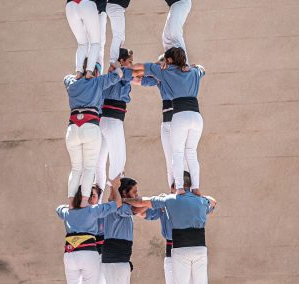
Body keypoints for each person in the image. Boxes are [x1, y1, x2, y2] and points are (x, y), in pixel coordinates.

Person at [133, 47, 205, 195]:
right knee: (191, 152)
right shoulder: (192, 72)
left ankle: (179, 188)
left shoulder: (165, 72)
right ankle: (195, 187)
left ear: (169, 60)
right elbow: (202, 69)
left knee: (177, 154)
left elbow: (139, 68)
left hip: (179, 116)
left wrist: (122, 70)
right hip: (196, 116)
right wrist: (193, 66)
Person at [123, 172, 216, 284]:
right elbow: (213, 202)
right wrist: (198, 195)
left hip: (180, 249)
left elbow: (140, 203)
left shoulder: (168, 201)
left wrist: (123, 200)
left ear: (176, 185)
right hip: (185, 249)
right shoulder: (197, 201)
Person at [64, 61, 125, 208]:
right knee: (90, 168)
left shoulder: (71, 82)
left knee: (76, 168)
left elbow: (66, 77)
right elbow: (118, 75)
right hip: (90, 126)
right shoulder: (98, 81)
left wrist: (79, 73)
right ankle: (85, 203)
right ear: (96, 72)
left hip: (72, 128)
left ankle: (71, 204)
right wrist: (115, 66)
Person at [56, 177, 122, 284]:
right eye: (89, 195)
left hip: (70, 253)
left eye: (94, 196)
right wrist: (115, 187)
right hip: (88, 253)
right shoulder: (93, 210)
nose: (91, 198)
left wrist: (72, 206)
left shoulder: (68, 211)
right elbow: (118, 203)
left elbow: (59, 209)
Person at [95, 48, 134, 191]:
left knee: (99, 162)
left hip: (104, 120)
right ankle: (114, 195)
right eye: (129, 62)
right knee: (118, 160)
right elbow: (133, 74)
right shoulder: (119, 75)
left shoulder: (110, 76)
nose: (131, 65)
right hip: (112, 120)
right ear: (121, 61)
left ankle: (98, 198)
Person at [101, 177, 138, 284]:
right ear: (124, 193)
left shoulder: (122, 207)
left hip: (122, 259)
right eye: (134, 192)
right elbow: (136, 208)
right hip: (115, 261)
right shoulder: (118, 207)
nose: (136, 195)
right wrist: (115, 186)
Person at [65, 0, 101, 79]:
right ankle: (89, 72)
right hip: (87, 4)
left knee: (82, 44)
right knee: (95, 43)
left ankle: (79, 73)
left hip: (70, 6)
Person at [106, 0, 131, 68]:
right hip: (115, 6)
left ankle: (118, 61)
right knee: (118, 36)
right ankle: (113, 61)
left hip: (117, 7)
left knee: (121, 38)